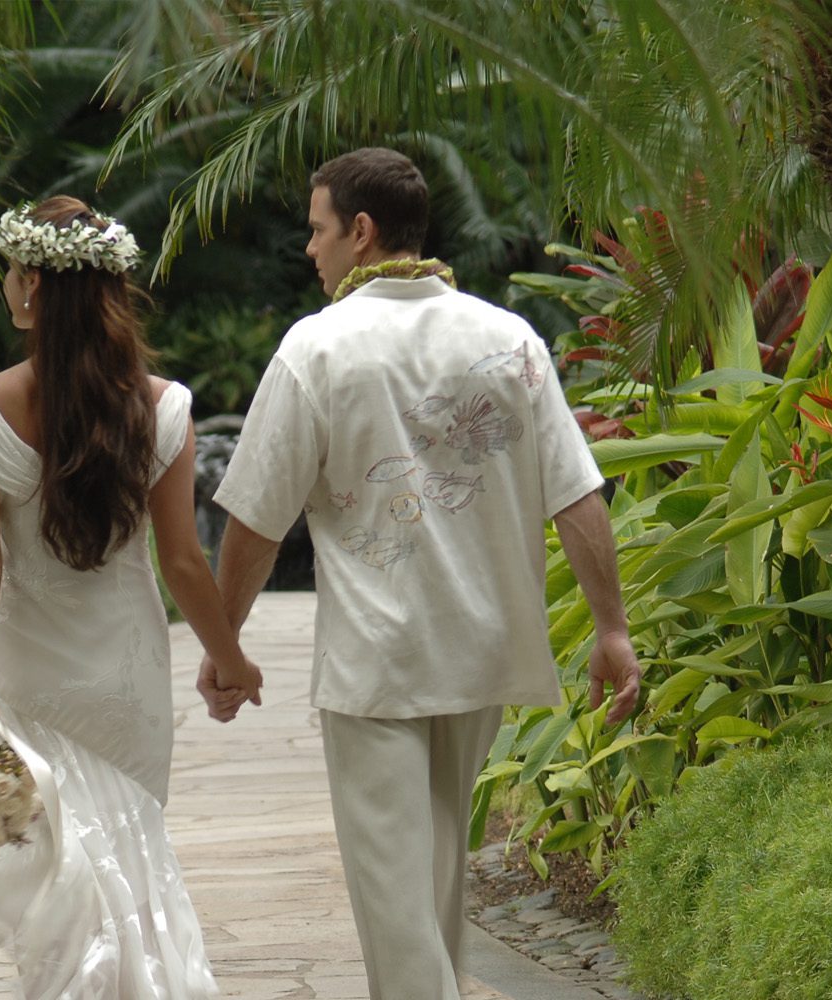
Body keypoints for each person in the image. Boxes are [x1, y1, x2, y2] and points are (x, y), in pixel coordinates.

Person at [202, 148, 643, 1000]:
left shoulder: (318, 348)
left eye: (319, 230)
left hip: (378, 662)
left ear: (361, 233)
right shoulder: (507, 337)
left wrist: (226, 645)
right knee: (434, 877)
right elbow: (577, 492)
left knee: (397, 896)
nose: (310, 251)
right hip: (480, 652)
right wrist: (612, 627)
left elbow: (257, 517)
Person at [0, 196, 261, 998]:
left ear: (31, 284)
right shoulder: (162, 407)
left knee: (60, 878)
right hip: (126, 679)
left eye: (10, 274)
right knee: (128, 857)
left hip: (31, 678)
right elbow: (181, 560)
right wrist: (231, 660)